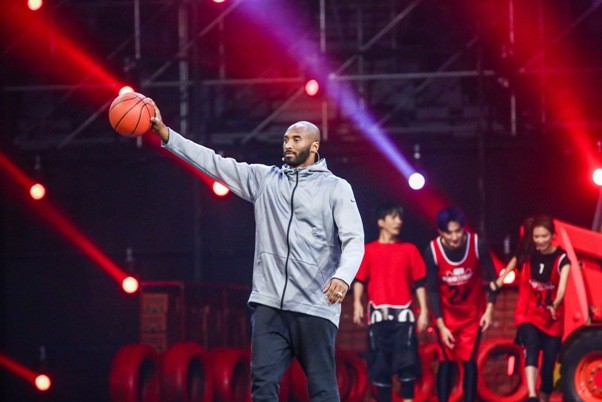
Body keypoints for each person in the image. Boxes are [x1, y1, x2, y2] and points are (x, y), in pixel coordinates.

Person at [149, 103, 365, 401]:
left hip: (315, 306)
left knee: (323, 390)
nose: (288, 145)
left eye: (296, 140)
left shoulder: (336, 188)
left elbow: (354, 240)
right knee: (262, 387)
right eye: (286, 140)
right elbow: (213, 163)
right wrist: (167, 135)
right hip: (269, 306)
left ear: (314, 146)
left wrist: (342, 277)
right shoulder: (266, 180)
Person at [352, 202, 428, 402]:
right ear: (380, 222)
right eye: (394, 217)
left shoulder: (409, 249)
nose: (398, 221)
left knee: (408, 366)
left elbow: (420, 282)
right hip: (378, 318)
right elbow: (359, 279)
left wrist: (425, 311)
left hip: (404, 318)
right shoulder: (368, 250)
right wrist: (357, 304)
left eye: (400, 217)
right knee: (380, 367)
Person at [422, 207, 498, 402]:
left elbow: (493, 280)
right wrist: (440, 323)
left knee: (469, 362)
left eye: (458, 231)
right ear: (440, 232)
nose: (455, 237)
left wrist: (489, 311)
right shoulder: (433, 250)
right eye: (449, 232)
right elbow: (431, 289)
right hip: (445, 316)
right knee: (446, 360)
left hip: (473, 315)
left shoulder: (477, 245)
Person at [495, 215, 570, 402]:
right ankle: (531, 395)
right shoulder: (528, 252)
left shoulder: (562, 259)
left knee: (548, 367)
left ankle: (543, 397)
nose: (540, 241)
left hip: (552, 318)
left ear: (552, 235)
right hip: (527, 314)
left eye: (544, 236)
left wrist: (556, 304)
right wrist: (501, 279)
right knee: (532, 346)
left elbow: (561, 289)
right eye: (537, 237)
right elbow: (514, 260)